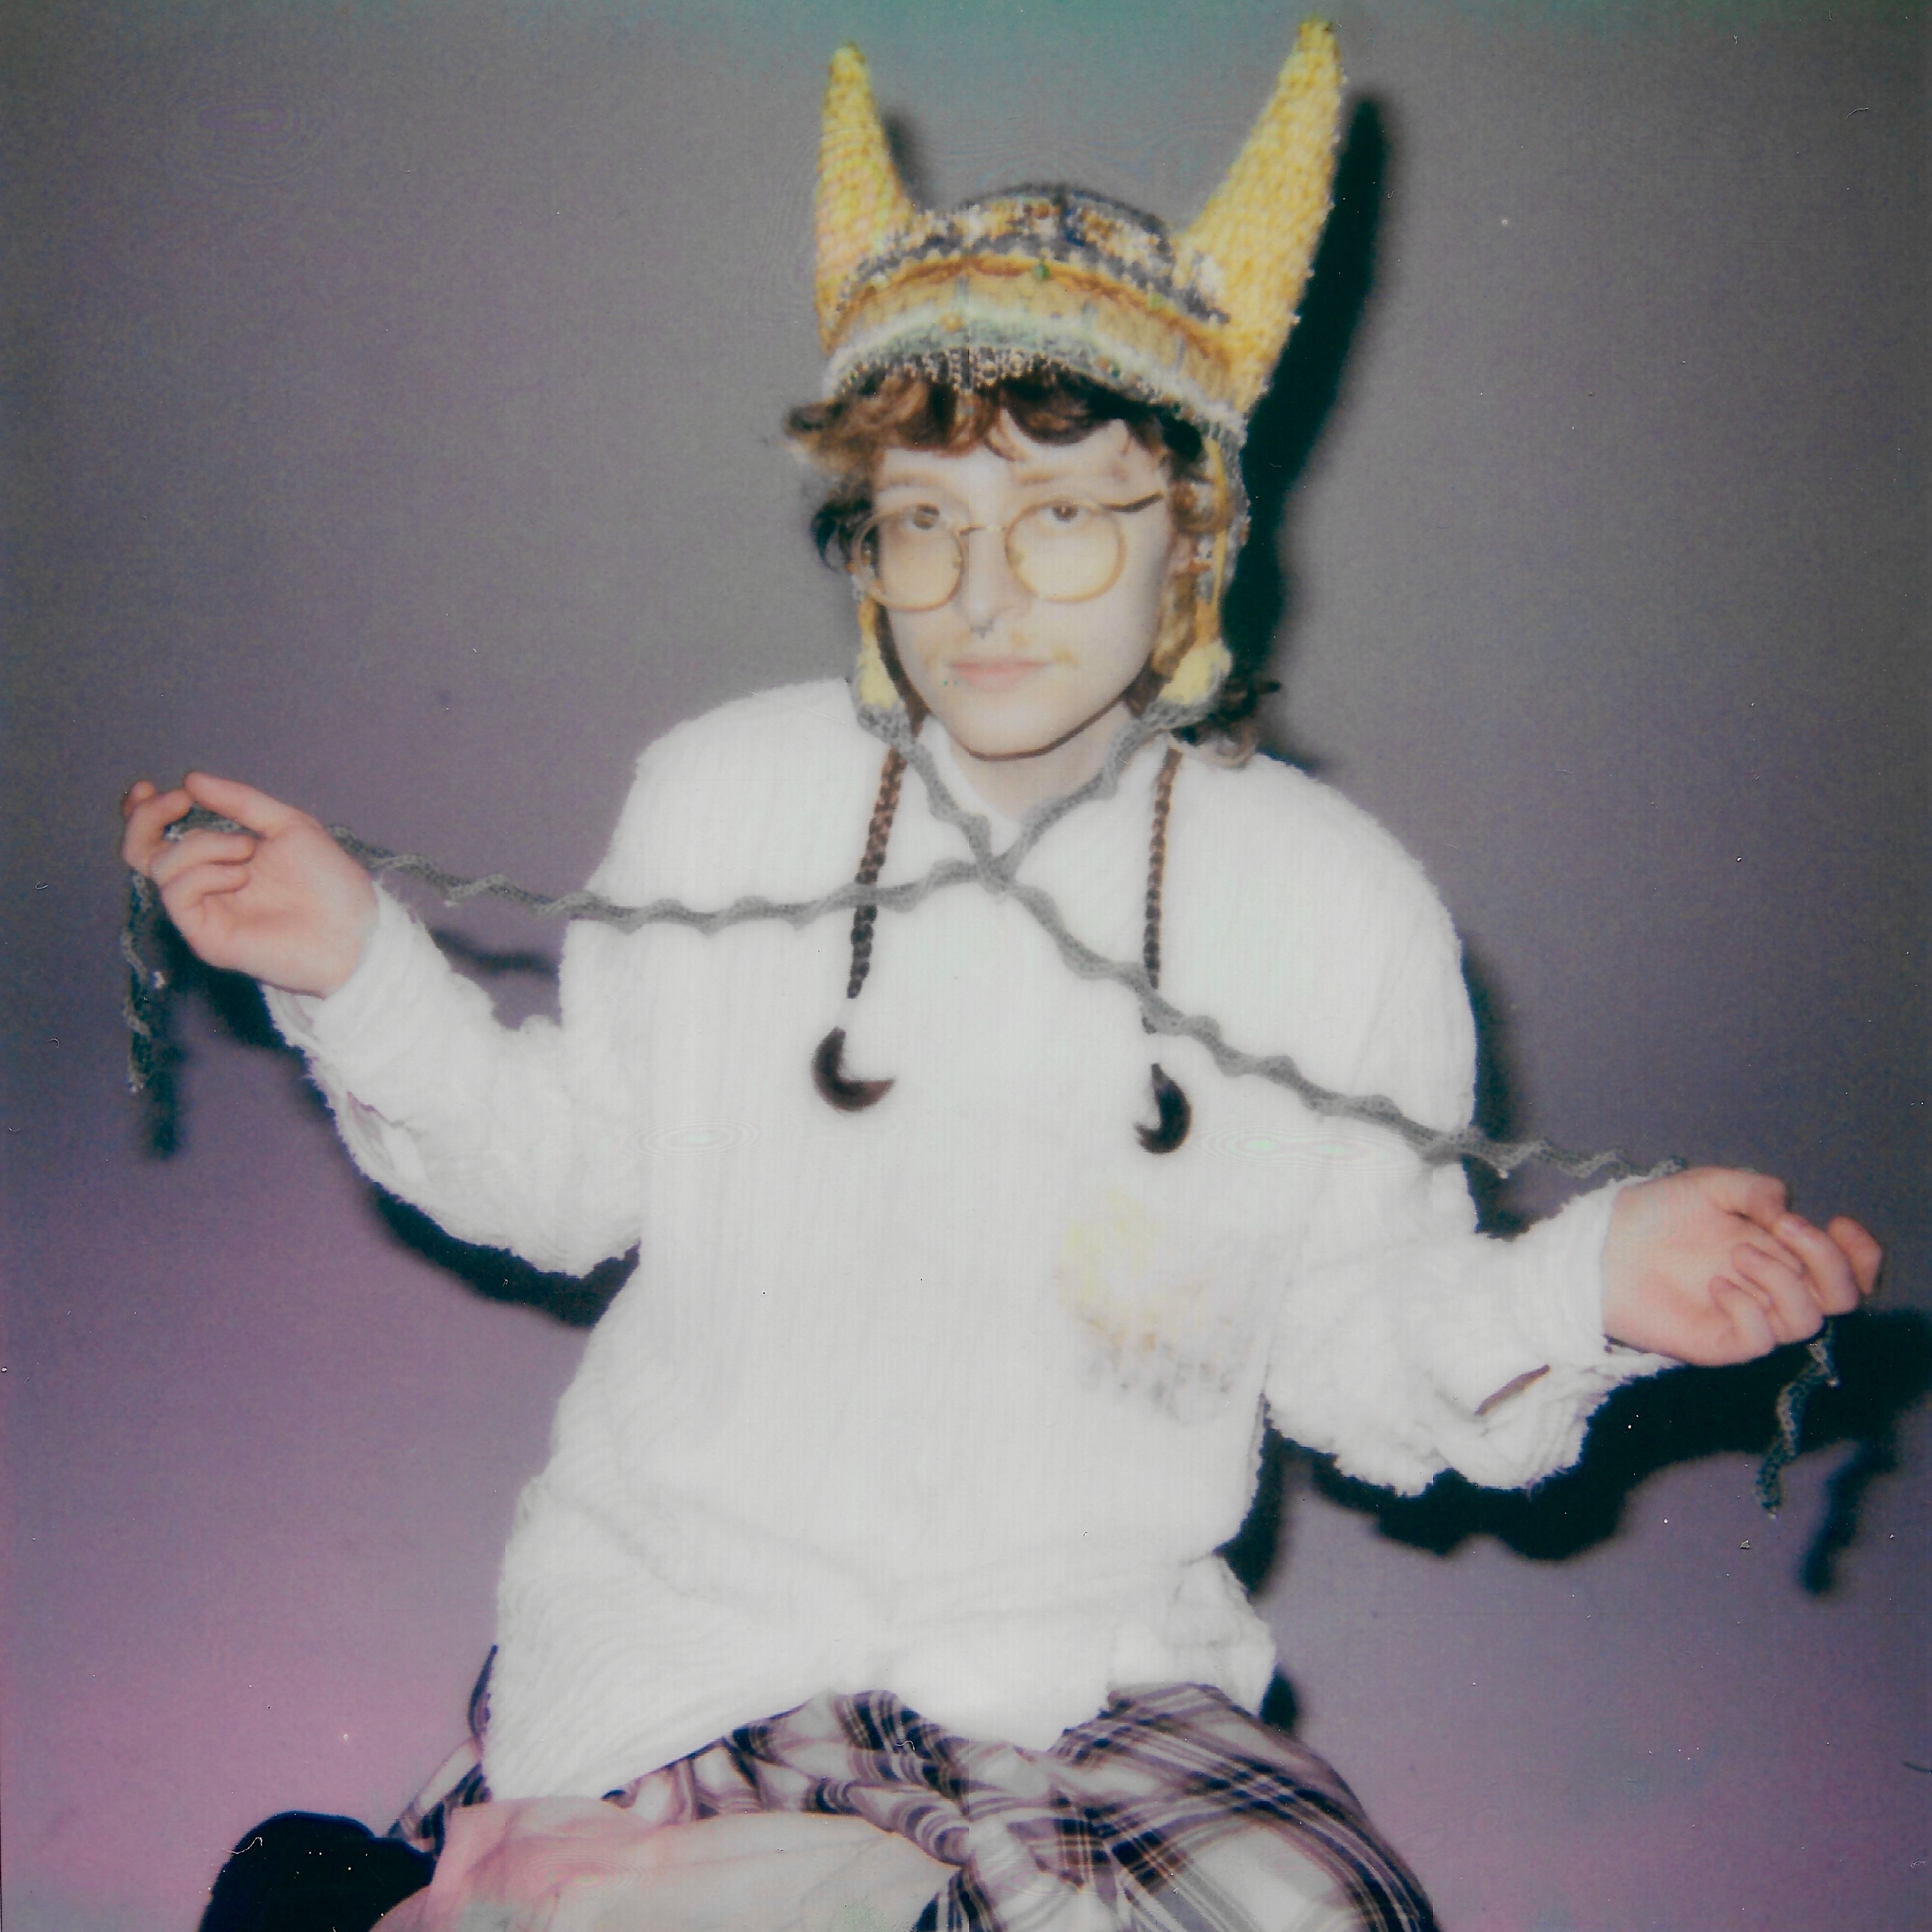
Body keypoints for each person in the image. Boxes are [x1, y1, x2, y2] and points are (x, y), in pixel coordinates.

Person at [122, 26, 1879, 1932]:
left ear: (1188, 534)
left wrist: (1587, 1284)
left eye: (1062, 519)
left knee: (1320, 1916)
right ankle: (561, 1869)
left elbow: (1355, 1349)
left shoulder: (1334, 905)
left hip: (1083, 1679)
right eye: (925, 522)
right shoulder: (726, 798)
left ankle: (500, 1893)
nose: (981, 597)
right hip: (700, 1637)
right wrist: (355, 967)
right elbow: (562, 1175)